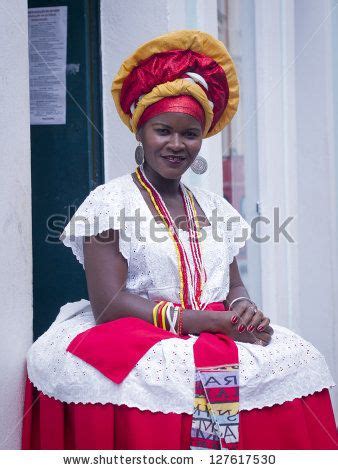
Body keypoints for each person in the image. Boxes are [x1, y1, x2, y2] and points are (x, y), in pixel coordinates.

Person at [22, 30, 337, 450]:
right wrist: (203, 322)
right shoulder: (108, 203)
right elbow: (109, 304)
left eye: (189, 133)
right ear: (140, 133)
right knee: (165, 390)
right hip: (135, 331)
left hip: (211, 329)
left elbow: (233, 284)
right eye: (162, 130)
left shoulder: (214, 207)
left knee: (301, 364)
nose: (176, 144)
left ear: (201, 139)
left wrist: (243, 308)